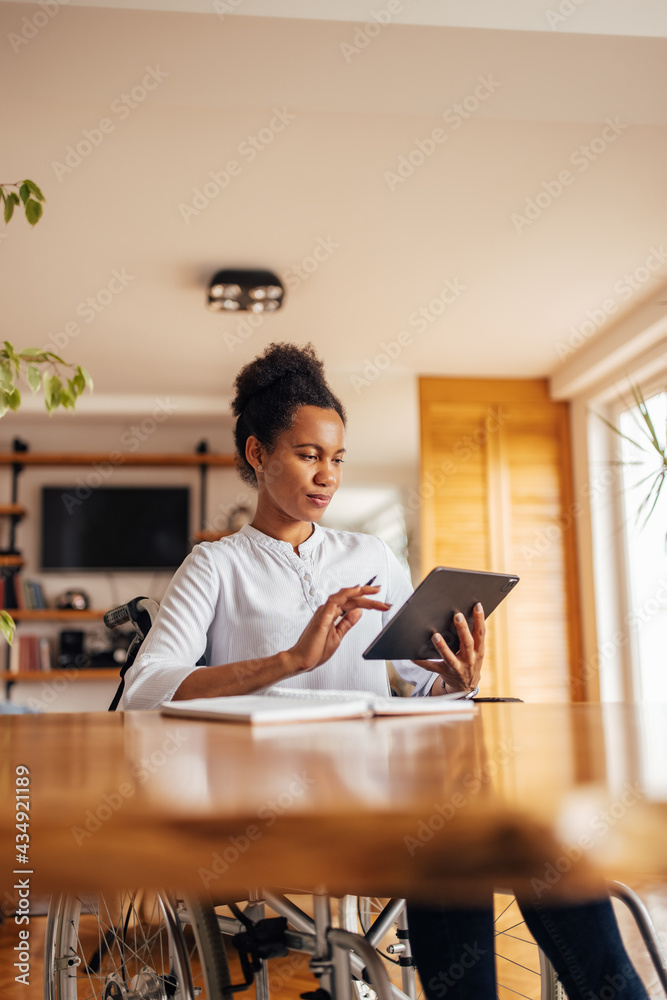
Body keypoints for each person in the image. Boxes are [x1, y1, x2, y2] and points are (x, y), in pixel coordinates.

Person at [122, 342, 648, 1000]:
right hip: (270, 803)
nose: (326, 475)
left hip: (383, 786)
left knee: (527, 829)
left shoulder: (368, 555)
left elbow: (418, 681)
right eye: (307, 454)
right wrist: (289, 663)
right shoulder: (216, 565)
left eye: (336, 458)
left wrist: (455, 680)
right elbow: (145, 689)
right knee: (448, 849)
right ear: (258, 454)